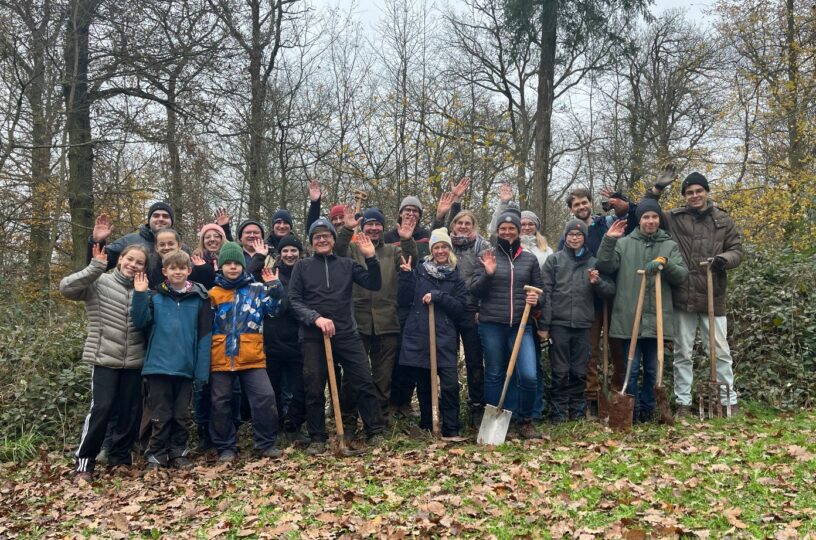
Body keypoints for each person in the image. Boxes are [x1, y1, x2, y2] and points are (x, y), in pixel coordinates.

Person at [645, 168, 743, 416]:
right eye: (689, 192)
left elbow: (737, 250)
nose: (695, 195)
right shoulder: (674, 218)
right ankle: (684, 403)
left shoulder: (723, 220)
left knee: (720, 351)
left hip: (713, 295)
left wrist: (724, 258)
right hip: (683, 296)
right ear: (684, 196)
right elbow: (648, 211)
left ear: (707, 192)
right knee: (682, 352)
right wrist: (656, 189)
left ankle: (728, 400)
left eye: (699, 190)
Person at [288, 218, 387, 455]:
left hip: (346, 333)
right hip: (313, 335)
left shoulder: (347, 264)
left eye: (326, 236)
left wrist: (371, 258)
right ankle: (318, 437)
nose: (322, 240)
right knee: (313, 385)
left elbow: (374, 283)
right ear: (312, 242)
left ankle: (376, 430)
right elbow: (293, 300)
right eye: (317, 237)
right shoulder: (302, 267)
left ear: (333, 239)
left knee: (363, 380)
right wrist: (315, 318)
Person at [60, 243, 151, 482]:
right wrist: (95, 267)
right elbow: (66, 289)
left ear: (144, 268)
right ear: (120, 260)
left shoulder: (144, 291)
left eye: (139, 262)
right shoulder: (99, 283)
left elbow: (145, 325)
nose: (133, 265)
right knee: (101, 409)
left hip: (134, 361)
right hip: (104, 359)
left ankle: (120, 459)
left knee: (129, 412)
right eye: (129, 259)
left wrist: (142, 293)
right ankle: (84, 463)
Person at [596, 199, 688, 423]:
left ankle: (648, 411)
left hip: (657, 318)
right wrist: (609, 240)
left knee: (652, 370)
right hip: (630, 318)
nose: (650, 221)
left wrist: (665, 264)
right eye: (646, 217)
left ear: (659, 220)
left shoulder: (669, 246)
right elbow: (605, 265)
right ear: (640, 220)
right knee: (632, 368)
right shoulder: (625, 244)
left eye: (654, 217)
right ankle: (631, 412)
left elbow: (681, 276)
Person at [335, 207, 418, 429]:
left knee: (383, 377)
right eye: (369, 224)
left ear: (383, 228)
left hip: (387, 322)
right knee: (353, 376)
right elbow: (337, 252)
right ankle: (349, 421)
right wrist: (346, 229)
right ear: (363, 226)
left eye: (377, 224)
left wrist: (408, 241)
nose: (373, 228)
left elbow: (412, 262)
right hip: (357, 322)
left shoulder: (392, 251)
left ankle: (379, 420)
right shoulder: (352, 250)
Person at [131, 251, 212, 470]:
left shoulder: (200, 298)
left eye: (182, 268)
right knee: (160, 415)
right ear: (165, 271)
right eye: (172, 268)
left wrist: (201, 372)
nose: (177, 272)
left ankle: (179, 452)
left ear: (189, 270)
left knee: (181, 415)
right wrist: (139, 294)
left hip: (186, 368)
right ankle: (156, 454)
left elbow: (204, 337)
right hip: (158, 366)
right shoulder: (154, 296)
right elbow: (139, 322)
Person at [470, 209, 544, 439]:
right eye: (503, 228)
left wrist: (537, 299)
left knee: (529, 374)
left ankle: (526, 420)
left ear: (519, 231)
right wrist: (488, 274)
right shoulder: (487, 255)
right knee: (494, 373)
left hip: (521, 326)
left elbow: (542, 293)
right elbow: (475, 290)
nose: (507, 231)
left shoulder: (529, 259)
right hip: (492, 324)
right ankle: (500, 422)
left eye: (512, 228)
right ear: (497, 231)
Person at [208, 241, 285, 461]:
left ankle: (265, 443)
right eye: (228, 263)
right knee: (220, 401)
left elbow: (275, 311)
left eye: (237, 263)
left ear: (243, 266)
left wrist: (276, 288)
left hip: (252, 356)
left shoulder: (258, 289)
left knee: (265, 397)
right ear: (220, 266)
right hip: (220, 356)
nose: (233, 267)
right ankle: (226, 447)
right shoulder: (212, 294)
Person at [540, 220, 615, 423]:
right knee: (560, 370)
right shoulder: (554, 261)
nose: (574, 238)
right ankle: (558, 412)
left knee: (580, 370)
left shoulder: (594, 263)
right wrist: (545, 326)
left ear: (584, 238)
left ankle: (578, 412)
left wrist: (597, 282)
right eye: (571, 234)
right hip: (559, 324)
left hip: (583, 324)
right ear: (565, 237)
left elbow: (610, 290)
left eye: (578, 234)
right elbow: (545, 294)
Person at [397, 228, 467, 437]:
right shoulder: (419, 271)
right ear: (431, 250)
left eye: (444, 246)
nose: (440, 251)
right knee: (425, 386)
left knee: (450, 385)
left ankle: (451, 428)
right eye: (436, 247)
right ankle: (428, 425)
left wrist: (438, 295)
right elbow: (404, 300)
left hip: (445, 336)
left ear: (450, 249)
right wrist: (406, 277)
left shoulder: (456, 276)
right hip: (420, 335)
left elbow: (460, 307)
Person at [262, 234, 309, 446]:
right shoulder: (270, 273)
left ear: (300, 253)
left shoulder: (306, 273)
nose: (289, 254)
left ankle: (294, 424)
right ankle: (277, 424)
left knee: (299, 386)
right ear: (280, 254)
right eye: (286, 251)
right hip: (273, 339)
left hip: (299, 339)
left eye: (293, 250)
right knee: (273, 387)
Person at [448, 208, 489, 426]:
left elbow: (487, 278)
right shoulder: (445, 245)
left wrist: (481, 307)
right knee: (448, 361)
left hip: (472, 311)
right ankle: (449, 406)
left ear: (473, 226)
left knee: (474, 361)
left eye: (467, 223)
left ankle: (476, 406)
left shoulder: (481, 246)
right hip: (449, 311)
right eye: (459, 223)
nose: (463, 226)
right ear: (453, 225)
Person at [88, 202, 174, 270]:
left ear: (171, 221)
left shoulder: (181, 247)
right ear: (149, 220)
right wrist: (97, 242)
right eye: (156, 216)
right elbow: (100, 264)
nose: (161, 219)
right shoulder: (129, 240)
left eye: (165, 216)